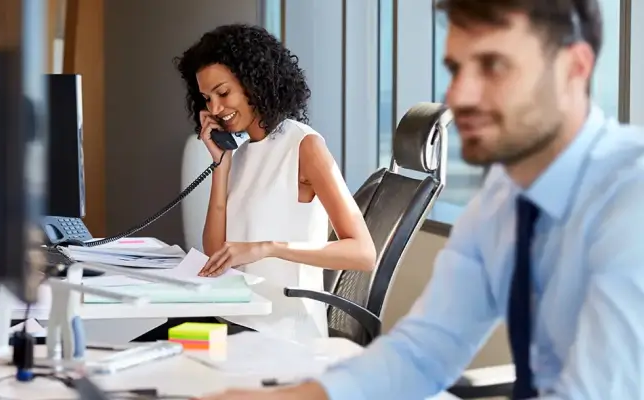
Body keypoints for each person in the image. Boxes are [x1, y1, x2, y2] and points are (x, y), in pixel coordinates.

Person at [198, 0, 644, 399]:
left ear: (575, 68)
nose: (459, 96)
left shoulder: (630, 196)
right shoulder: (500, 204)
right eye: (455, 68)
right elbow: (424, 351)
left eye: (492, 66)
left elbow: (597, 386)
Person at [134, 24, 377, 343]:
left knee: (154, 367)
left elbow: (363, 253)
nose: (216, 109)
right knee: (134, 355)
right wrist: (221, 163)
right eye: (207, 98)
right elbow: (216, 251)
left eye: (223, 93)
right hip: (231, 320)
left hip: (281, 331)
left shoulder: (305, 146)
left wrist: (268, 248)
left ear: (254, 84)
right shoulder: (242, 150)